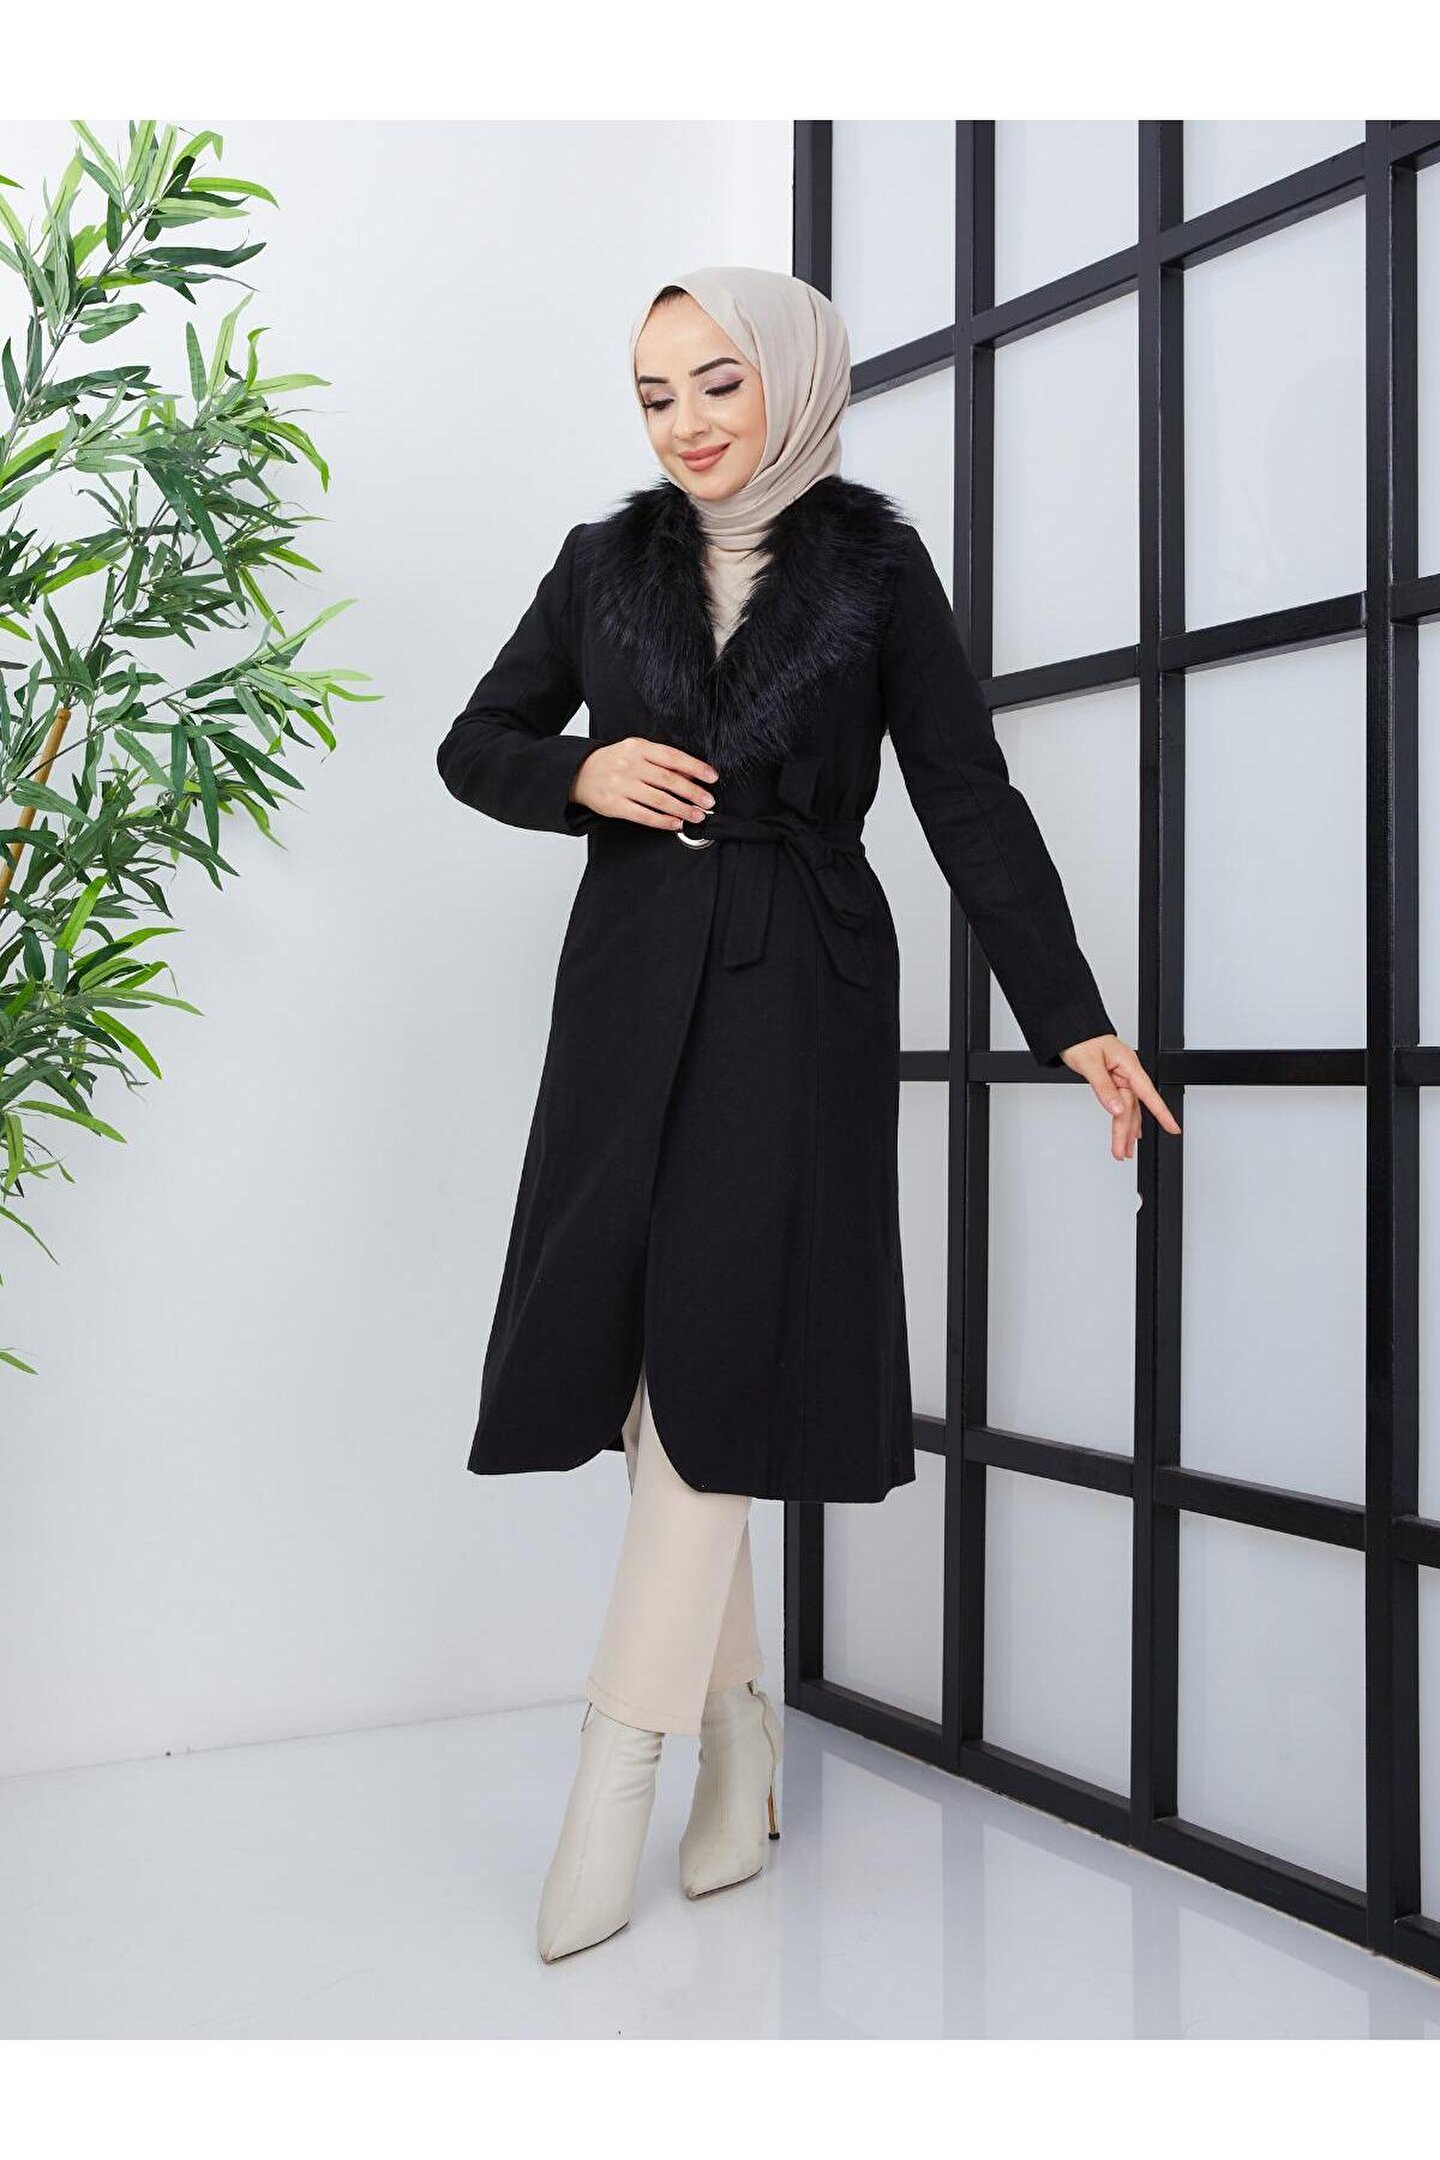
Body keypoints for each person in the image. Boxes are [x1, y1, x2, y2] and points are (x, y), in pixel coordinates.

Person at [436, 264, 1180, 1965]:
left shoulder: (875, 569)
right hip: (626, 987)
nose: (687, 424)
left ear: (794, 377)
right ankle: (742, 1738)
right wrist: (579, 774)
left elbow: (966, 795)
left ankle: (611, 1777)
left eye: (719, 382)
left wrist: (1072, 1019)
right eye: (654, 395)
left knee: (719, 1342)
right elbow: (475, 741)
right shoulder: (603, 563)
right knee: (654, 1367)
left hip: (802, 991)